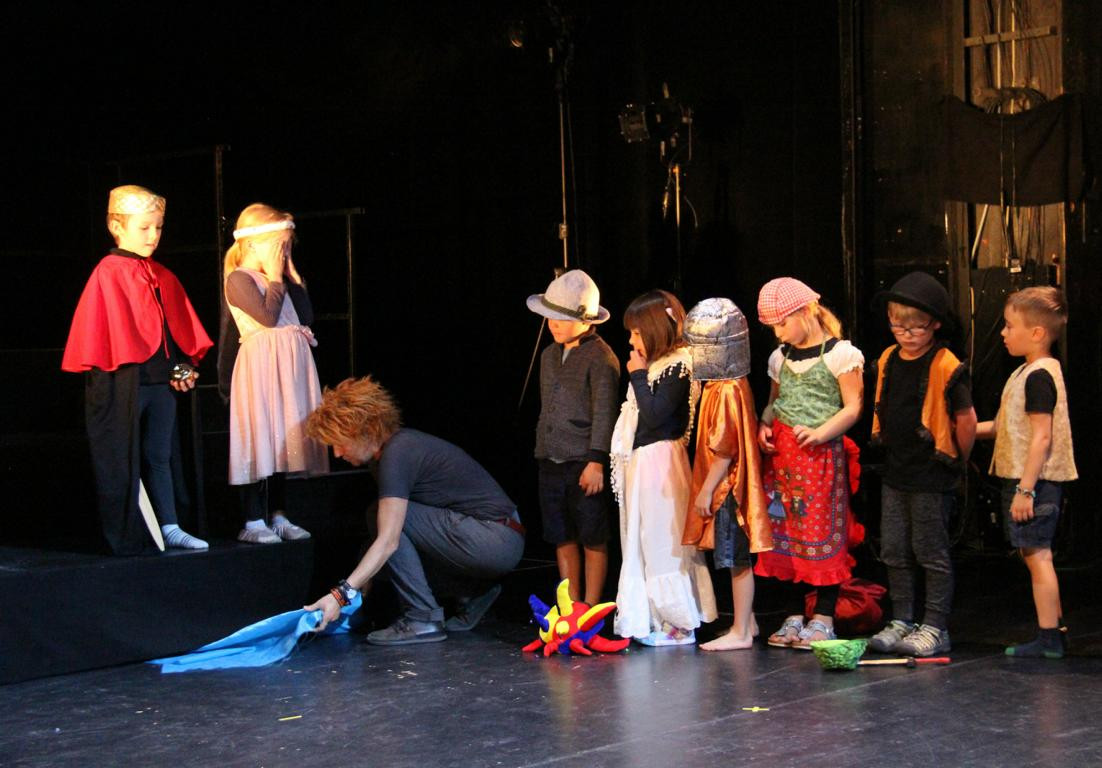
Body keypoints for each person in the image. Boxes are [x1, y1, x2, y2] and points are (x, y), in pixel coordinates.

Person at [304, 376, 525, 645]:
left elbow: (389, 541)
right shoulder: (388, 455)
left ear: (367, 429)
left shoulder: (399, 452)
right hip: (493, 540)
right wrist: (358, 595)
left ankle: (423, 619)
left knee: (383, 522)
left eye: (340, 442)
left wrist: (340, 595)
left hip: (495, 538)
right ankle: (473, 591)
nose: (337, 453)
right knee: (378, 547)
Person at [62, 185, 212, 555]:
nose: (153, 235)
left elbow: (173, 330)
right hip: (124, 381)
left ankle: (170, 526)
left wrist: (183, 367)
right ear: (117, 227)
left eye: (158, 227)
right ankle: (129, 533)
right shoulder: (108, 272)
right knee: (121, 457)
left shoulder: (161, 274)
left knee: (160, 454)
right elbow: (105, 332)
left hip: (161, 382)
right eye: (144, 227)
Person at [866, 272, 977, 657]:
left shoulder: (946, 364)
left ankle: (934, 625)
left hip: (931, 473)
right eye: (899, 326)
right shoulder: (888, 358)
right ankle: (902, 619)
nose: (907, 334)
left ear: (935, 324)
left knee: (930, 551)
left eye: (917, 327)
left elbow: (966, 420)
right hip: (897, 471)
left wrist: (958, 460)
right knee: (895, 549)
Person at [753, 278, 864, 649]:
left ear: (806, 311)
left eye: (783, 323)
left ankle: (823, 617)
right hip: (784, 459)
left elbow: (853, 407)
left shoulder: (840, 354)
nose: (778, 332)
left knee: (821, 534)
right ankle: (793, 614)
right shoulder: (780, 357)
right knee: (787, 536)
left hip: (820, 456)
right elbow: (775, 401)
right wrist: (764, 424)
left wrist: (820, 433)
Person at [610, 290, 717, 646]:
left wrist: (638, 376)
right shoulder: (659, 364)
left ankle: (678, 623)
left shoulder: (679, 365)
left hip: (661, 462)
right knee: (645, 540)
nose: (632, 341)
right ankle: (656, 619)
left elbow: (656, 416)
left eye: (637, 333)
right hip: (644, 461)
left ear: (655, 329)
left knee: (662, 542)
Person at [976, 286, 1077, 659]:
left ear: (1036, 333)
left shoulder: (1039, 376)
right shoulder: (1025, 373)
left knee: (1037, 556)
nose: (1003, 333)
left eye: (1009, 325)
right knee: (1034, 554)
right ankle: (1055, 630)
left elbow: (1042, 437)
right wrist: (959, 430)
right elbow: (1003, 427)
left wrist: (1026, 490)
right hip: (1027, 481)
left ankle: (1049, 638)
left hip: (1035, 483)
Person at [222, 203, 328, 544]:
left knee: (284, 440)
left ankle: (279, 514)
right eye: (279, 244)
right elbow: (268, 318)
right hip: (262, 367)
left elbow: (306, 316)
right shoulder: (239, 279)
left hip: (289, 369)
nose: (284, 251)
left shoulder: (281, 279)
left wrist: (291, 275)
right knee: (260, 438)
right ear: (253, 244)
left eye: (287, 245)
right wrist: (275, 277)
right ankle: (253, 520)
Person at [683, 298, 772, 651]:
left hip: (728, 487)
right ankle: (747, 621)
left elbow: (724, 449)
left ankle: (740, 631)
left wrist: (706, 491)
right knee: (733, 555)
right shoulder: (722, 385)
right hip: (725, 483)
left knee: (736, 558)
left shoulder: (727, 389)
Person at [526, 269, 620, 605]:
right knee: (561, 534)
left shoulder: (601, 357)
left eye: (563, 319)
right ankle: (570, 607)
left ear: (585, 321)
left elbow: (604, 412)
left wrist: (596, 460)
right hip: (550, 459)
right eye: (551, 317)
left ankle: (590, 608)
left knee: (592, 535)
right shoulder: (549, 355)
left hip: (582, 462)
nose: (554, 325)